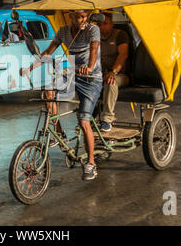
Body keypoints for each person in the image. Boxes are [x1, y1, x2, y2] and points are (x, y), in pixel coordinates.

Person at [20, 10, 103, 181]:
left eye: (84, 16)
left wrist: (89, 66)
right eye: (78, 16)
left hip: (91, 79)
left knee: (83, 120)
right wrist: (30, 68)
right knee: (48, 91)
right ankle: (59, 134)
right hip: (73, 75)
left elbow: (94, 49)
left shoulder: (92, 29)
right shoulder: (63, 32)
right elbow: (48, 52)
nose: (82, 19)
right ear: (70, 17)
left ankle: (91, 163)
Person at [98, 12, 130, 132]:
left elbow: (123, 55)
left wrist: (113, 71)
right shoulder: (95, 36)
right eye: (99, 24)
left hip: (120, 74)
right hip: (101, 73)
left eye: (105, 24)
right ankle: (88, 115)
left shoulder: (120, 35)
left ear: (112, 23)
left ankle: (107, 118)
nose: (102, 27)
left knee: (111, 81)